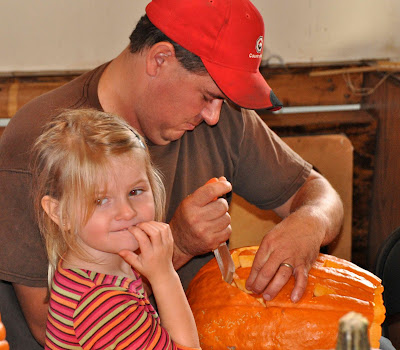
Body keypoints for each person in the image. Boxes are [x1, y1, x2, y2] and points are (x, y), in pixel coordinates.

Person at [0, 0, 344, 347]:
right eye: (209, 96)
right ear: (159, 59)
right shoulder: (38, 146)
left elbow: (318, 191)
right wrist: (177, 244)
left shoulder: (222, 114)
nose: (213, 116)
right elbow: (53, 329)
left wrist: (309, 223)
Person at [32, 108, 201, 349]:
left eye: (135, 192)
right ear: (60, 213)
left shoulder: (100, 265)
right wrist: (165, 277)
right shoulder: (102, 304)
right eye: (100, 200)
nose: (127, 212)